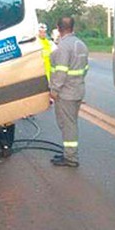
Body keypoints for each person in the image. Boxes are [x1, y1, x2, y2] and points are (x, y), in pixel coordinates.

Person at [49, 17, 88, 168]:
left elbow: (61, 71)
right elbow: (85, 69)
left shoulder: (63, 47)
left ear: (58, 28)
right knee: (70, 123)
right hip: (78, 90)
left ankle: (71, 158)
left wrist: (54, 90)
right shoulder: (81, 45)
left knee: (68, 125)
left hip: (66, 93)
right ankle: (68, 153)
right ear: (72, 27)